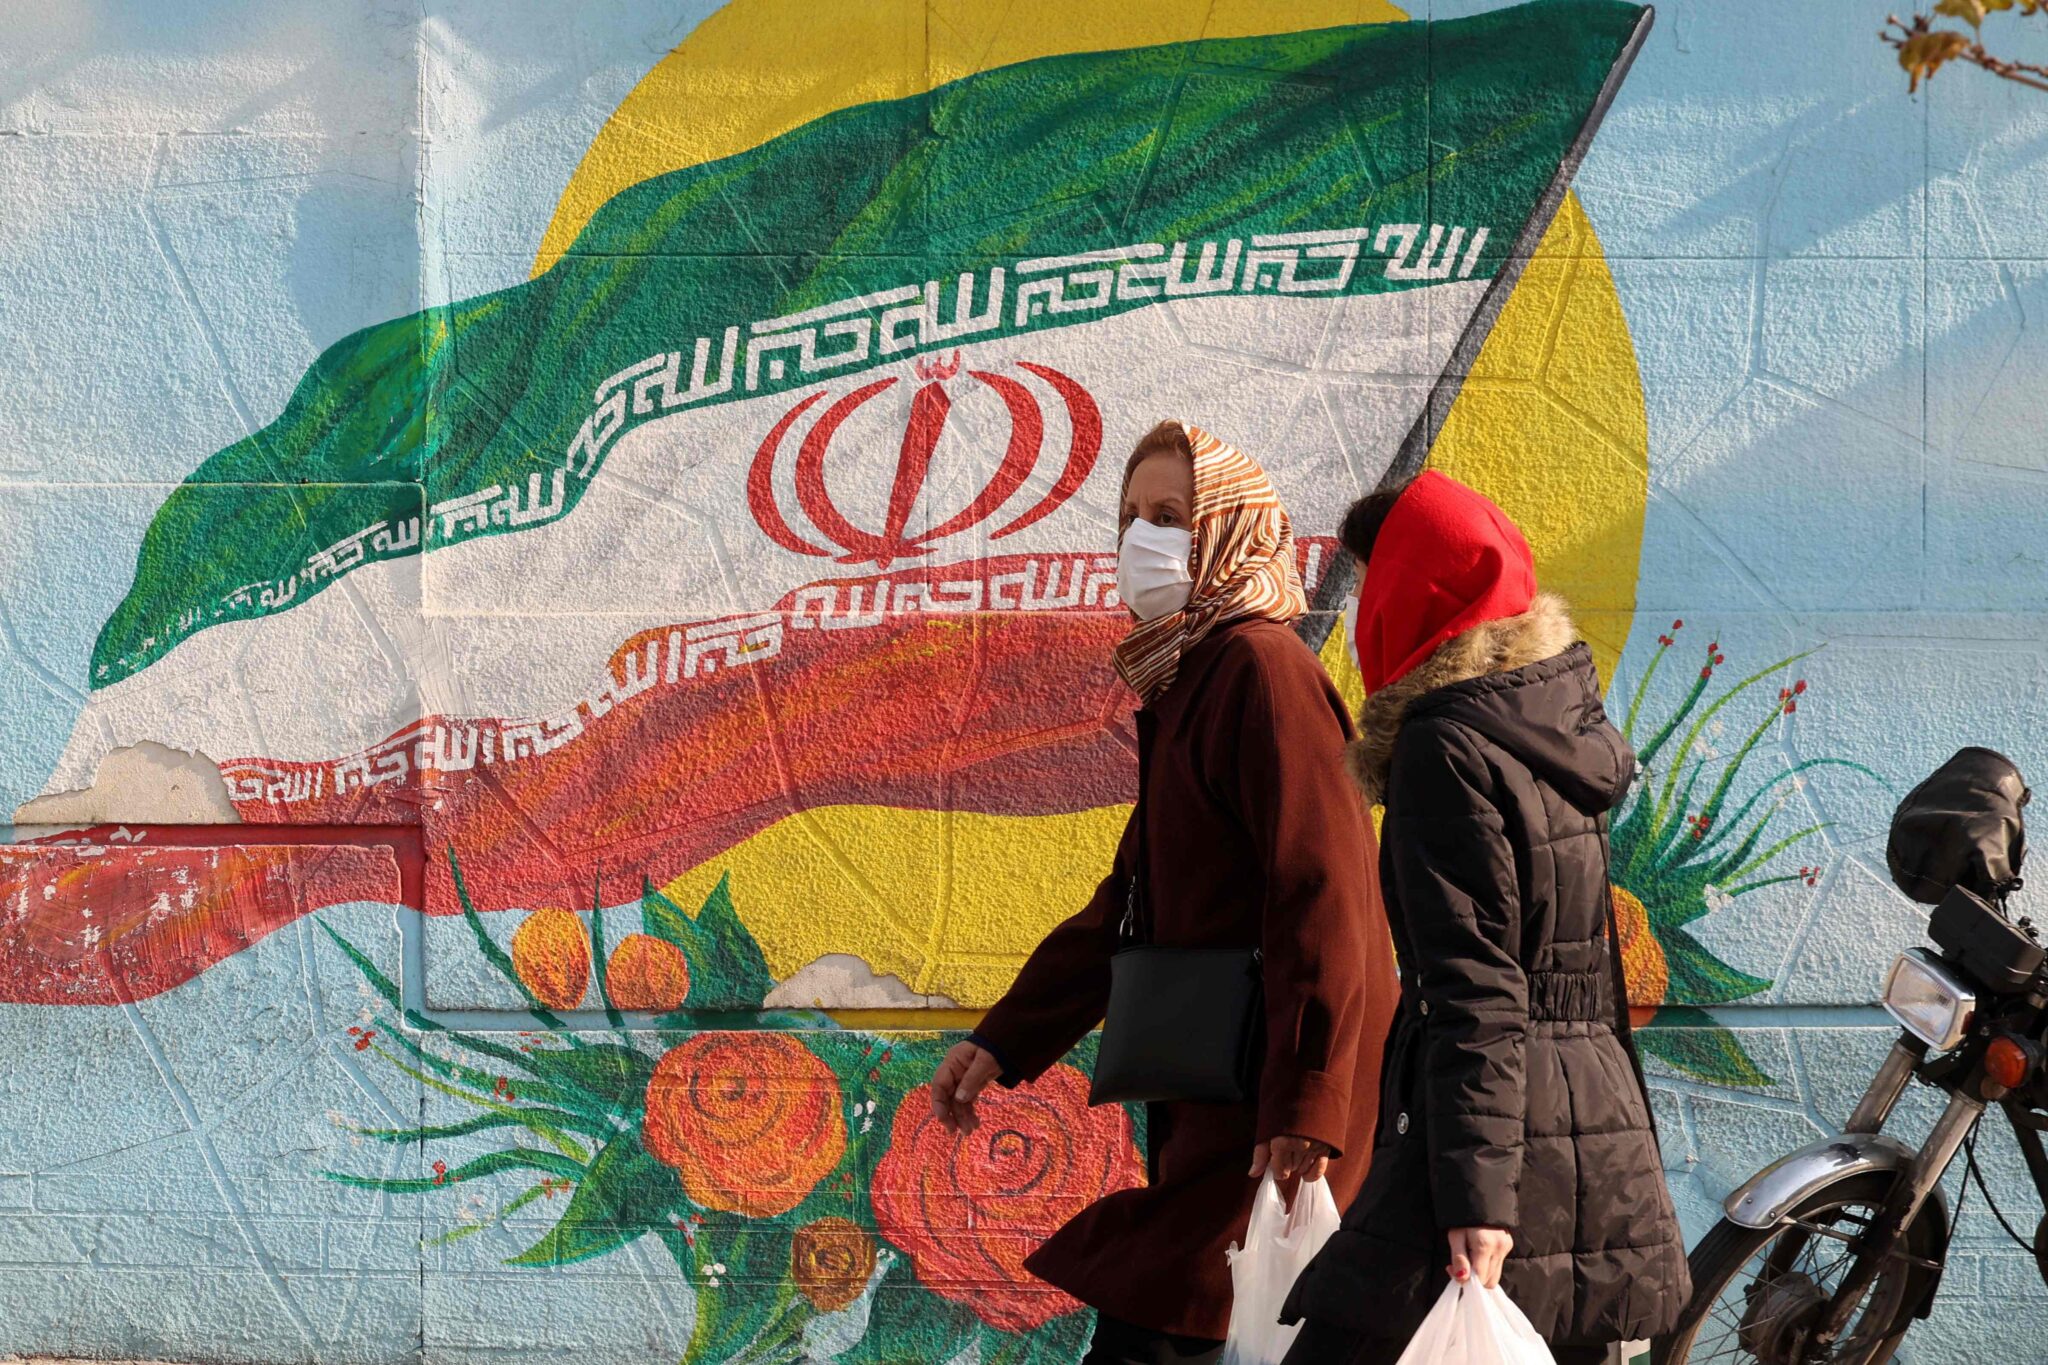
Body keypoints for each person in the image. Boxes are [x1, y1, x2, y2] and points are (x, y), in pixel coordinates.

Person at [926, 420, 1398, 1365]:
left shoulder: (1264, 669)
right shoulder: (1194, 677)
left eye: (1174, 517)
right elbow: (1127, 901)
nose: (1145, 539)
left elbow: (1328, 895)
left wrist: (1308, 1099)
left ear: (1228, 531)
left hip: (1272, 1100)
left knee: (1165, 1322)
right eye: (1132, 516)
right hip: (1224, 1093)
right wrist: (1004, 1039)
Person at [1279, 471, 1692, 1364]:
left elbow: (1478, 988)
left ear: (1409, 593)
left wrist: (1477, 1199)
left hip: (1488, 1144)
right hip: (1580, 1121)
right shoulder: (1550, 728)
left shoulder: (1444, 747)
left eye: (1369, 580)